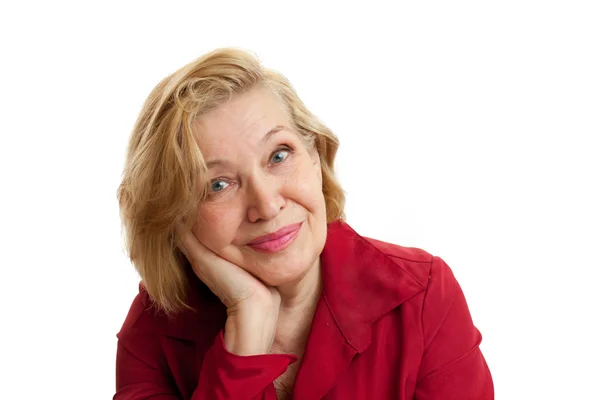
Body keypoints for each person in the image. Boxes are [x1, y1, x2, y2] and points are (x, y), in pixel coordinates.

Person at [114, 48, 494, 400]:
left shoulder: (422, 297)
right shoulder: (154, 331)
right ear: (176, 217)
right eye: (218, 184)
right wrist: (245, 334)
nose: (266, 204)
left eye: (279, 155)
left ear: (315, 156)